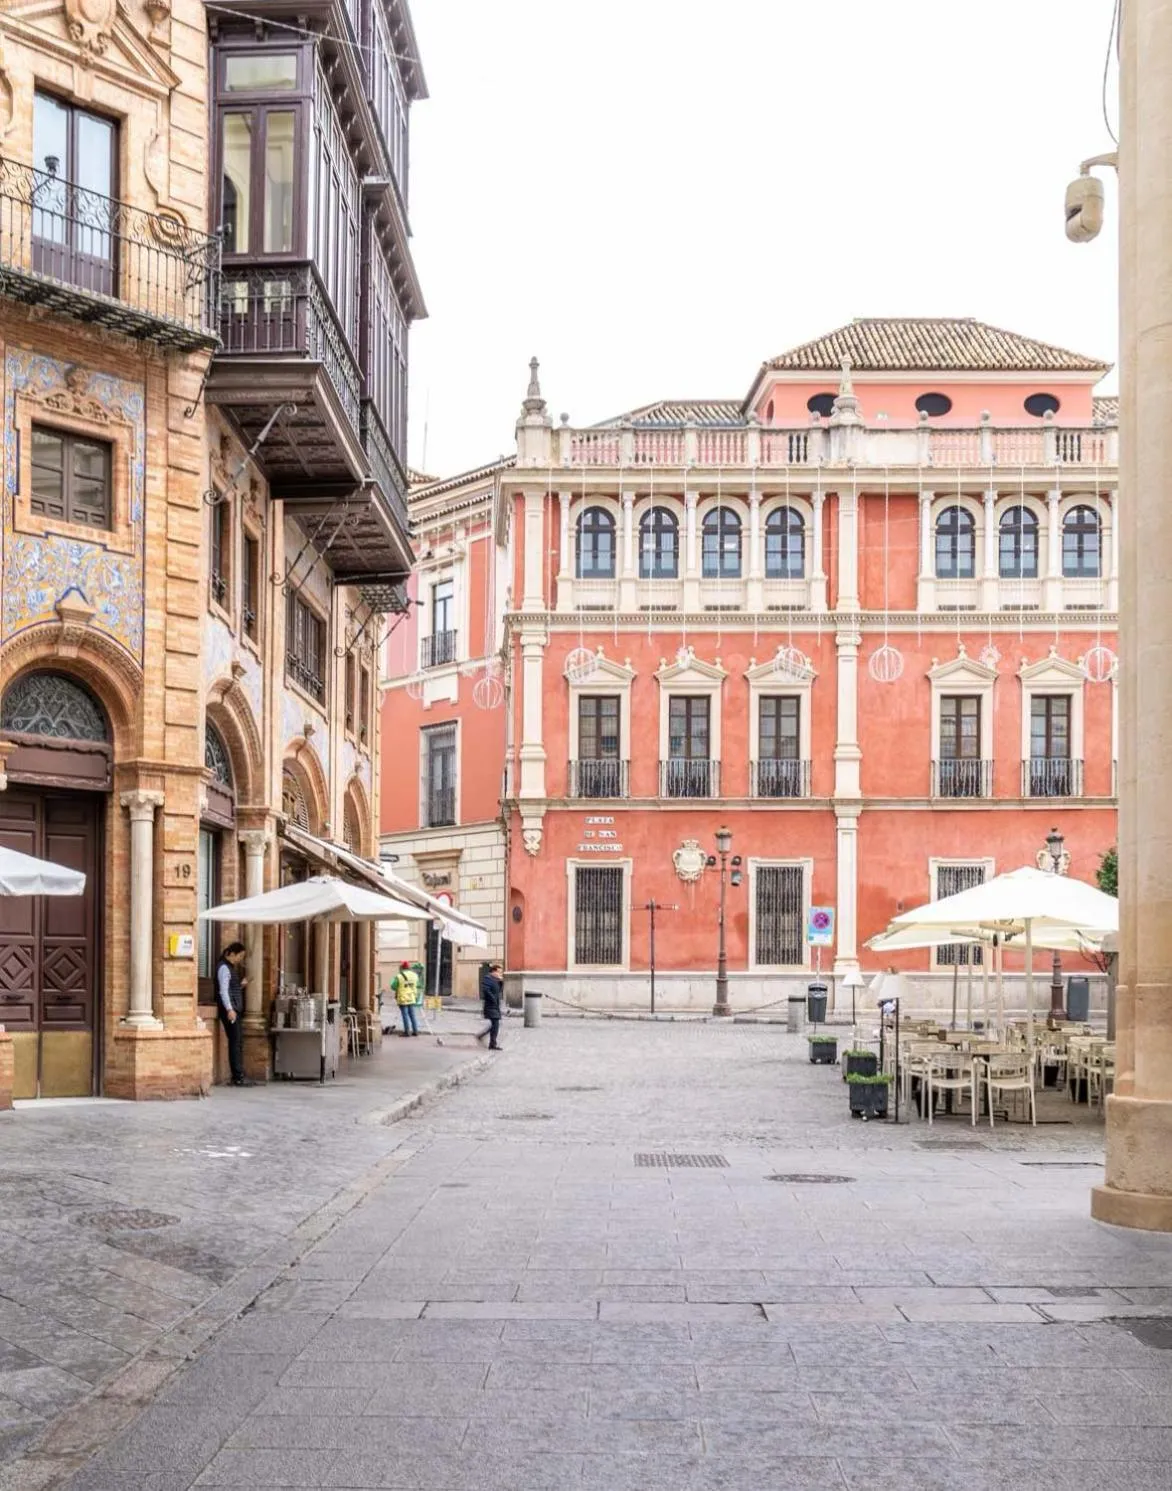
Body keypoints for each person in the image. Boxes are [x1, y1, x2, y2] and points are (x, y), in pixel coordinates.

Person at [215, 942, 255, 1087]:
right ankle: (237, 1077)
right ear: (232, 954)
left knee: (237, 1041)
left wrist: (241, 985)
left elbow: (231, 989)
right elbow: (223, 991)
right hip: (231, 1010)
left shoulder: (229, 968)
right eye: (240, 956)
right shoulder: (224, 968)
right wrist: (229, 1009)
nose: (240, 959)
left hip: (234, 1008)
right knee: (235, 1041)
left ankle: (238, 1075)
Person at [477, 961, 503, 1050]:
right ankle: (492, 1044)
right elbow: (486, 990)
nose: (500, 974)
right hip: (490, 1005)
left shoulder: (496, 980)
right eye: (499, 972)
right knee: (495, 1024)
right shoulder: (487, 979)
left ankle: (484, 1038)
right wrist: (493, 999)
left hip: (495, 1005)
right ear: (493, 972)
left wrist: (501, 982)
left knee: (495, 1024)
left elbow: (499, 991)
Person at [393, 959, 420, 1036]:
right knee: (412, 1015)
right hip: (412, 997)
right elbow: (417, 985)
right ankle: (415, 1031)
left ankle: (407, 1032)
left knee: (405, 1015)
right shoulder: (415, 975)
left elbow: (393, 986)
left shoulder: (399, 976)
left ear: (402, 967)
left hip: (403, 998)